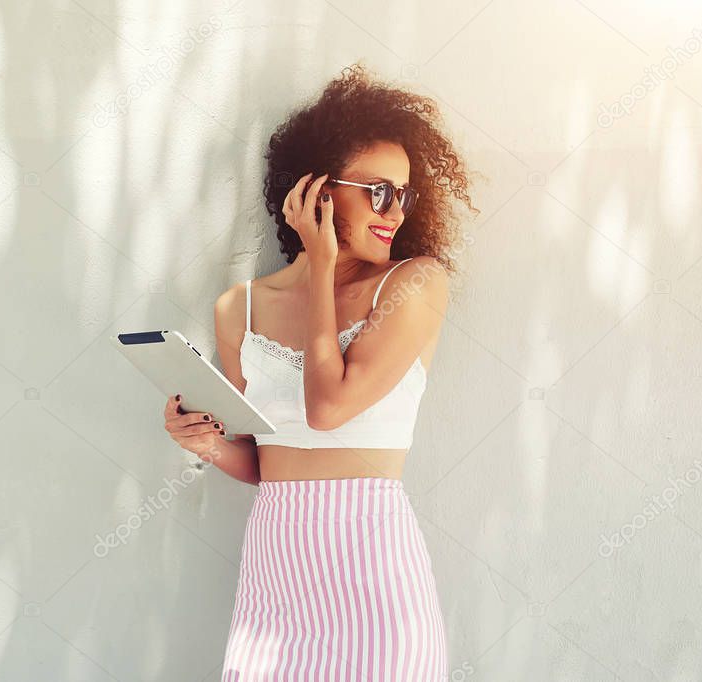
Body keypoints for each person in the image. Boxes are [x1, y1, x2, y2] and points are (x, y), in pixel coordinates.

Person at [162, 62, 478, 681]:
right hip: (276, 570)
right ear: (315, 191)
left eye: (404, 194)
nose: (394, 211)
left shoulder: (414, 284)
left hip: (375, 568)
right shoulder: (240, 308)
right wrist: (207, 444)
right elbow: (267, 460)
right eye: (378, 190)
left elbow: (327, 408)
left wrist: (324, 268)